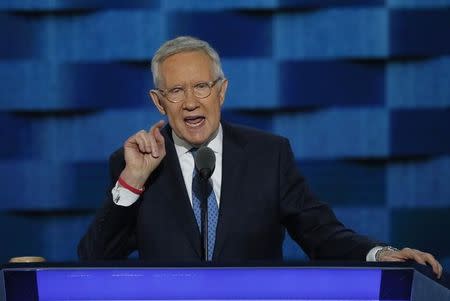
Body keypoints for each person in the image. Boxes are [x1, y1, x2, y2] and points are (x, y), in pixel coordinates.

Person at [78, 36, 442, 278]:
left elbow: (320, 233)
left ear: (221, 92)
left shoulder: (270, 154)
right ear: (158, 102)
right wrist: (133, 181)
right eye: (176, 91)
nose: (191, 102)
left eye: (202, 86)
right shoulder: (135, 164)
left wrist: (379, 255)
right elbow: (93, 260)